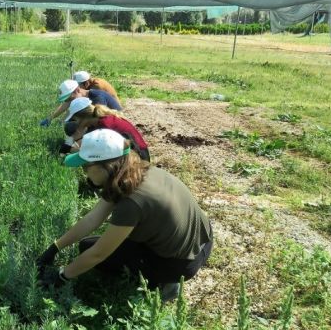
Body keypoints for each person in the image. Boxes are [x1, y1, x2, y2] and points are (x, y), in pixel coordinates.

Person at [36, 129, 213, 301]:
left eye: (85, 166)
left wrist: (63, 277)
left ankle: (164, 284)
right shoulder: (135, 172)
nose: (83, 172)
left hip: (181, 264)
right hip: (203, 240)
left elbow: (98, 254)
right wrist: (55, 247)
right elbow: (92, 219)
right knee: (90, 245)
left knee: (91, 250)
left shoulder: (131, 202)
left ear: (104, 165)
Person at [63, 98, 150, 162]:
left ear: (83, 118)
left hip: (139, 157)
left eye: (76, 120)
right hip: (135, 152)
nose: (76, 123)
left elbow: (94, 151)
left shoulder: (104, 125)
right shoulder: (98, 120)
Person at [40, 79, 122, 127]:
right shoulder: (76, 98)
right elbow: (65, 105)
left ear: (78, 90)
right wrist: (49, 119)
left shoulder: (97, 98)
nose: (70, 102)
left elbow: (98, 122)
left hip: (115, 126)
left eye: (70, 99)